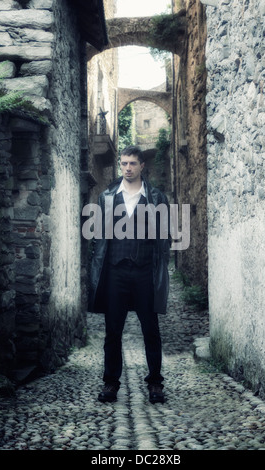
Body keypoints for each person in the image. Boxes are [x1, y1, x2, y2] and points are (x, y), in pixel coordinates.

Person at [88, 145, 170, 404]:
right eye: (124, 163)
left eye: (133, 163)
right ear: (120, 165)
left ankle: (155, 383)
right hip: (116, 272)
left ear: (142, 166)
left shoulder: (156, 197)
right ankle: (110, 383)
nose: (128, 168)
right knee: (113, 331)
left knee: (151, 330)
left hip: (145, 271)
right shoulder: (107, 197)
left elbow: (164, 238)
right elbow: (99, 238)